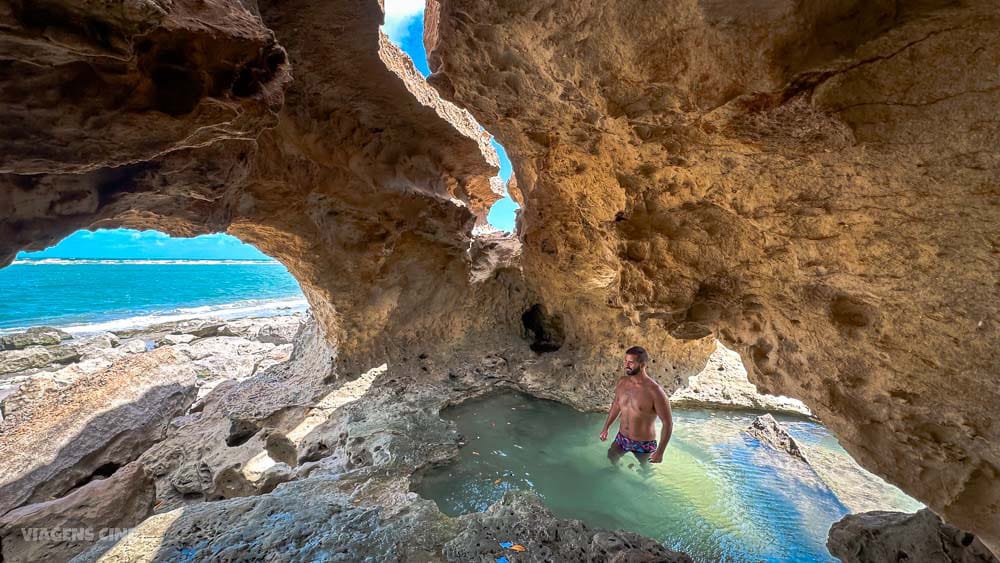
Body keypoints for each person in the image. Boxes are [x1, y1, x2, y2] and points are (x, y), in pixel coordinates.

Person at [599, 346, 673, 463]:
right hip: (622, 437)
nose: (626, 365)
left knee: (645, 472)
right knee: (611, 457)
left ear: (642, 365)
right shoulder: (622, 382)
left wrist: (660, 452)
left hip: (644, 444)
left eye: (631, 362)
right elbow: (616, 405)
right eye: (625, 361)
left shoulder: (655, 392)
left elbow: (667, 423)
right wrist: (606, 428)